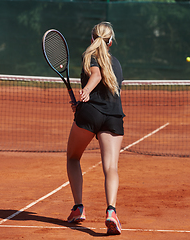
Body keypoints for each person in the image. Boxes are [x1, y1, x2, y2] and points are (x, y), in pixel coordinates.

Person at [66, 22, 124, 235]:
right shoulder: (116, 63)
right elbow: (113, 91)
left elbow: (96, 75)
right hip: (114, 117)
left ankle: (78, 207)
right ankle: (111, 211)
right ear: (111, 42)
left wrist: (85, 92)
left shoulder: (90, 56)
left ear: (92, 39)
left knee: (73, 157)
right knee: (111, 167)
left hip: (91, 114)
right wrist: (82, 102)